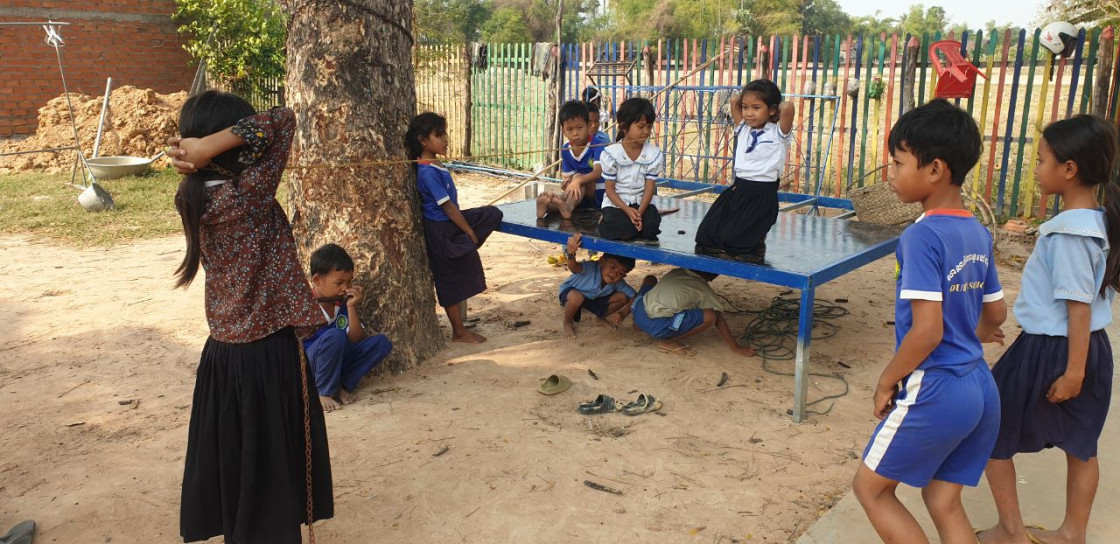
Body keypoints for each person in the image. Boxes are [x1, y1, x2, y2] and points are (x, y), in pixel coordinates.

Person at [168, 91, 333, 543]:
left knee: (239, 449)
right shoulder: (249, 193)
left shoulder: (190, 195)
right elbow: (282, 119)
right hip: (266, 351)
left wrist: (201, 150)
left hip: (223, 353)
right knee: (268, 453)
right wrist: (210, 145)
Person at [852, 99, 1007, 544]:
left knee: (871, 490)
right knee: (943, 500)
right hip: (979, 386)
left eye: (898, 163)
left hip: (936, 389)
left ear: (935, 169)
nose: (891, 174)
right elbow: (996, 314)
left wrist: (886, 380)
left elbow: (928, 331)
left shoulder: (921, 235)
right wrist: (968, 340)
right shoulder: (976, 230)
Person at [977, 116, 1119, 544]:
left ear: (1069, 169)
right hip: (1089, 346)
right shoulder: (1098, 222)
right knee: (1081, 444)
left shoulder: (1070, 233)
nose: (1036, 169)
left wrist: (1074, 372)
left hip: (1053, 350)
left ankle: (1011, 531)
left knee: (989, 428)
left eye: (1041, 160)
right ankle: (1073, 533)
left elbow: (1078, 307)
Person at [407, 112, 503, 344]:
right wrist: (468, 231)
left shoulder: (436, 163)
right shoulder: (427, 171)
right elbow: (448, 206)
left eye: (444, 134)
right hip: (440, 228)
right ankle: (458, 332)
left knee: (491, 214)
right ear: (423, 141)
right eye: (439, 135)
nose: (445, 139)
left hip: (450, 223)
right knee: (448, 277)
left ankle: (463, 247)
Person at [695, 79, 795, 259]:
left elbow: (787, 107)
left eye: (756, 108)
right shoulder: (743, 129)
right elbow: (734, 100)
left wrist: (773, 112)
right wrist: (752, 103)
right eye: (745, 107)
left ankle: (755, 246)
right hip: (738, 189)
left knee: (735, 242)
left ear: (772, 109)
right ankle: (745, 245)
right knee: (706, 234)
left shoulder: (778, 133)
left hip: (762, 194)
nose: (749, 113)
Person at [304, 243, 394, 413]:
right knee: (335, 336)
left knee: (380, 343)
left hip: (336, 363)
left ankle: (338, 385)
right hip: (309, 367)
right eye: (339, 282)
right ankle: (322, 391)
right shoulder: (304, 304)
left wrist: (351, 306)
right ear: (317, 280)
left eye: (349, 281)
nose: (345, 288)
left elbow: (355, 338)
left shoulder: (341, 302)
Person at [630, 268, 756, 357]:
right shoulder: (703, 289)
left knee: (650, 279)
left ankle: (638, 325)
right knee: (711, 316)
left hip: (638, 311)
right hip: (657, 327)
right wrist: (735, 347)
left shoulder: (677, 271)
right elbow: (717, 317)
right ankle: (668, 341)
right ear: (711, 278)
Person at [598, 97, 663, 242]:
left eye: (649, 127)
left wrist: (639, 213)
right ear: (624, 127)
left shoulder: (653, 154)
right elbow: (610, 190)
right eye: (641, 127)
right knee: (621, 226)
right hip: (617, 204)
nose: (646, 131)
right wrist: (627, 210)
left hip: (642, 204)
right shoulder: (612, 154)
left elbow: (649, 188)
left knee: (650, 227)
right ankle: (606, 220)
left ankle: (633, 226)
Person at [535, 101, 611, 218]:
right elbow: (570, 176)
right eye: (570, 129)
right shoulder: (566, 149)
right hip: (579, 195)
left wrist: (577, 180)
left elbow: (597, 173)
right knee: (567, 193)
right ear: (564, 131)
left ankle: (568, 207)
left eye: (579, 127)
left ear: (588, 126)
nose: (575, 133)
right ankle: (547, 207)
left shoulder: (598, 145)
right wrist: (569, 182)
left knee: (577, 179)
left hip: (598, 193)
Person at [558, 232, 637, 337]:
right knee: (577, 297)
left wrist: (623, 313)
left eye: (621, 273)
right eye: (613, 267)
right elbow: (574, 267)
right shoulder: (591, 268)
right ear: (602, 261)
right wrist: (570, 254)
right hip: (571, 294)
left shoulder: (618, 282)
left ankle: (600, 318)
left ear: (624, 276)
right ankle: (567, 322)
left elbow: (634, 296)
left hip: (591, 299)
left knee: (622, 297)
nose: (614, 274)